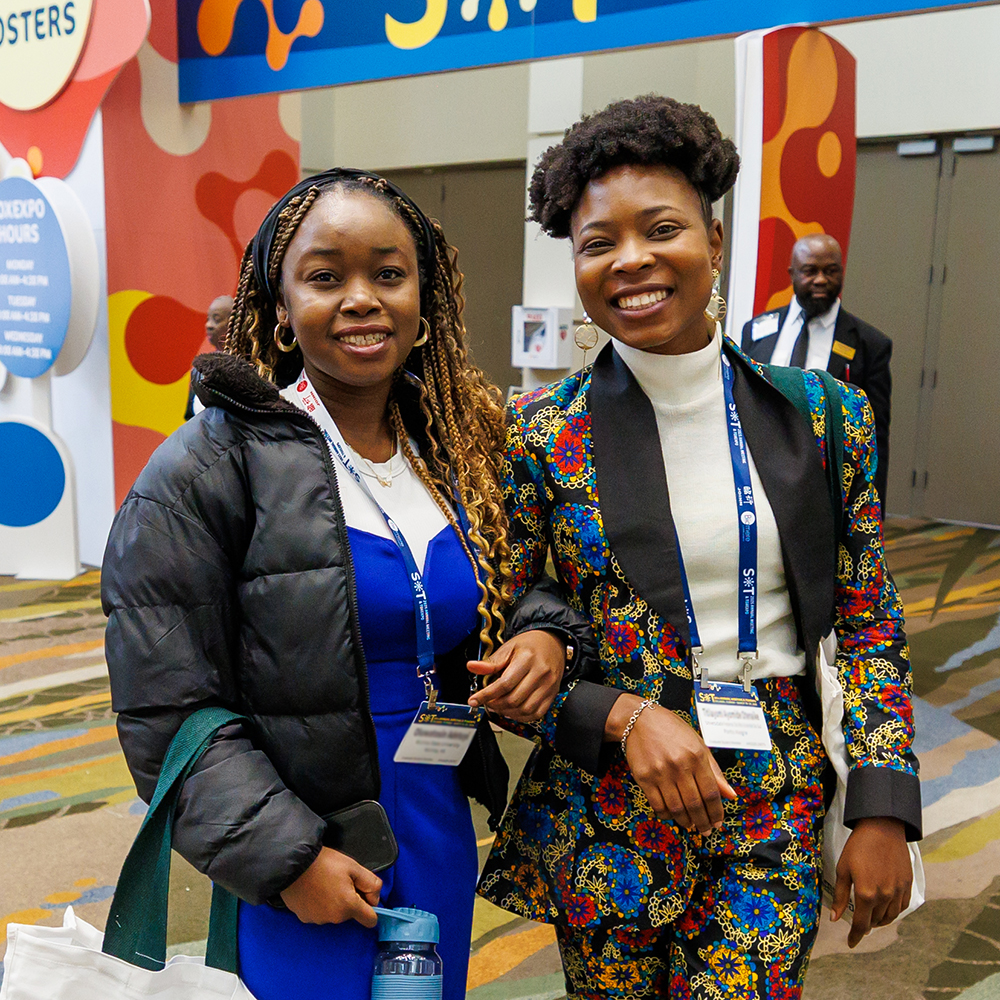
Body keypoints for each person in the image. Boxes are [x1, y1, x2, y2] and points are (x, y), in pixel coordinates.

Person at [102, 169, 597, 1000]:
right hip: (309, 848)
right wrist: (286, 858)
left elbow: (516, 581)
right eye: (326, 277)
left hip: (436, 821)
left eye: (389, 274)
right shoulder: (206, 467)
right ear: (281, 307)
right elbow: (167, 707)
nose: (362, 299)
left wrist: (545, 634)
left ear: (423, 300)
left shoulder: (456, 451)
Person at [477, 96, 920, 999]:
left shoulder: (826, 415)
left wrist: (882, 806)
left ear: (714, 242)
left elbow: (868, 622)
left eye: (662, 229)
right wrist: (616, 714)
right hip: (608, 803)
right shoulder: (534, 431)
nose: (630, 260)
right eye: (598, 243)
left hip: (775, 795)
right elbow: (507, 624)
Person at [740, 235, 892, 512]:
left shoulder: (869, 345)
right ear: (792, 274)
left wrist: (872, 506)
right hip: (760, 472)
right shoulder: (757, 331)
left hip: (828, 482)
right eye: (810, 271)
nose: (821, 279)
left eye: (831, 271)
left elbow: (876, 433)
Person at [184, 294, 233, 419]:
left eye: (216, 319)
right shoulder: (200, 369)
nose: (209, 325)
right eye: (208, 319)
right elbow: (189, 419)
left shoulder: (249, 365)